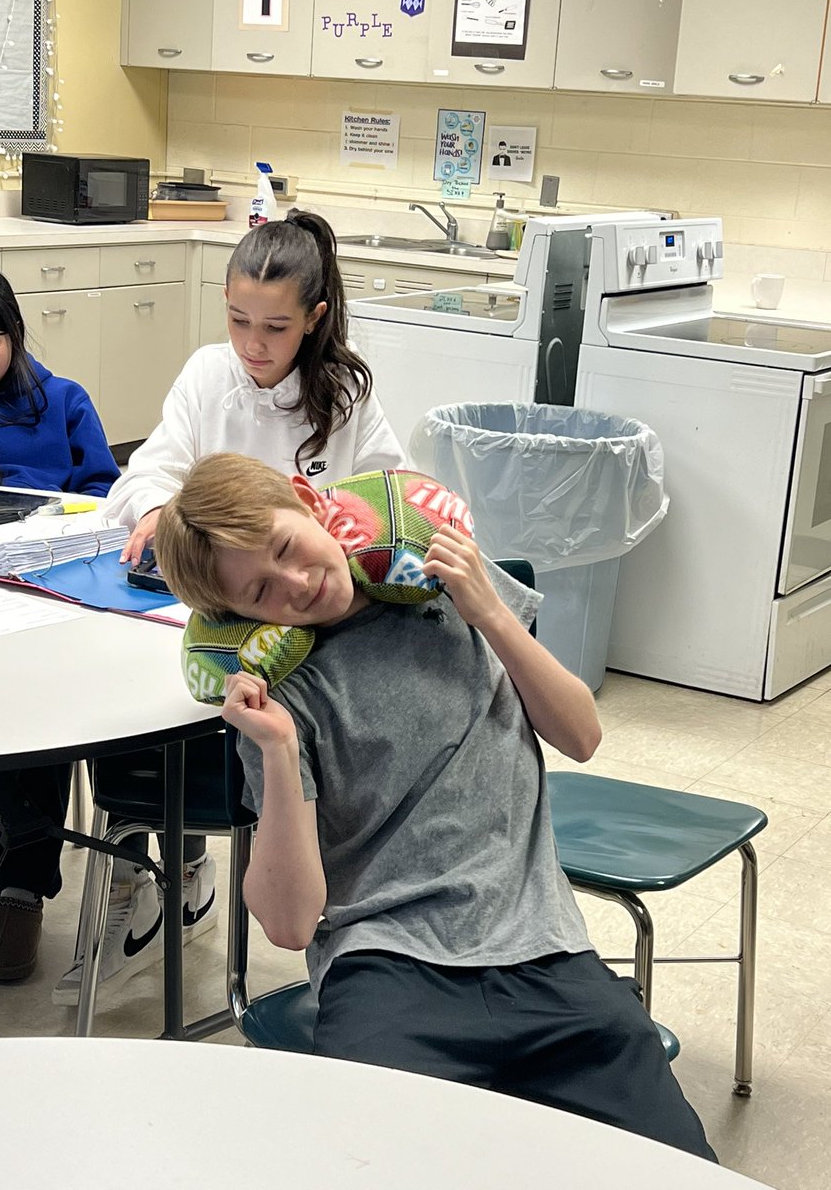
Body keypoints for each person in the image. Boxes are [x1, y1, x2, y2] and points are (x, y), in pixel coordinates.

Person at [155, 451, 718, 1164]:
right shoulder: (285, 697)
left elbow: (581, 734)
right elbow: (291, 924)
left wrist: (490, 611)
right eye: (262, 592)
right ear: (239, 617)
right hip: (387, 968)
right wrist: (276, 750)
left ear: (308, 501)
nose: (297, 585)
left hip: (544, 950)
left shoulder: (447, 590)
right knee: (367, 1166)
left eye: (288, 549)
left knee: (676, 1167)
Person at [51, 210, 405, 1006]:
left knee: (245, 737)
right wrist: (153, 512)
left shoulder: (345, 397)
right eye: (238, 319)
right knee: (136, 709)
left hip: (305, 637)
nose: (253, 343)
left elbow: (388, 507)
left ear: (314, 320)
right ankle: (161, 869)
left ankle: (187, 868)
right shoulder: (209, 375)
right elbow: (145, 473)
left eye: (275, 328)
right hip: (204, 618)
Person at [0, 259, 120, 982]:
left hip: (43, 600)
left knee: (26, 714)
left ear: (14, 332)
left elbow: (106, 500)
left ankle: (21, 882)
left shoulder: (63, 402)